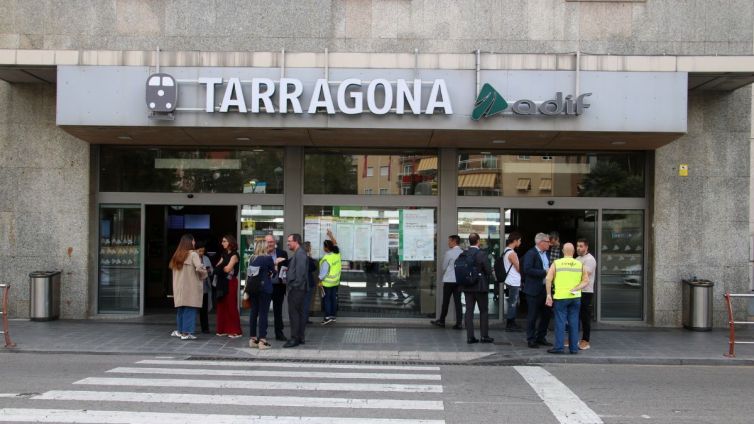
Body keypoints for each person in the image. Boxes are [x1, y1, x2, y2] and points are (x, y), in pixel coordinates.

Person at [545, 243, 589, 354]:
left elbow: (548, 279)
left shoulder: (557, 263)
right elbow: (586, 281)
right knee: (574, 323)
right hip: (575, 298)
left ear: (563, 252)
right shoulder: (579, 264)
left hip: (561, 297)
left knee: (560, 322)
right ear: (573, 252)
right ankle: (574, 348)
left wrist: (549, 295)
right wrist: (576, 288)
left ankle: (559, 348)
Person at [169, 234, 207, 340]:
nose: (194, 243)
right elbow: (199, 268)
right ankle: (186, 333)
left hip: (179, 288)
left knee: (181, 309)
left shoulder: (176, 255)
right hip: (191, 287)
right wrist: (205, 274)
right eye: (193, 241)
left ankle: (180, 331)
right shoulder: (193, 255)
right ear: (190, 242)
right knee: (190, 309)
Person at [462, 233, 494, 344]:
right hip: (480, 286)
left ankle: (470, 337)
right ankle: (484, 336)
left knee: (469, 312)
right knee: (483, 311)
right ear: (478, 241)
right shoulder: (481, 254)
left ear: (469, 241)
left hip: (467, 286)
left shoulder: (464, 253)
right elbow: (488, 270)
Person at [522, 232, 552, 348]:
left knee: (546, 315)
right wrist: (544, 272)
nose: (549, 244)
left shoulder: (547, 254)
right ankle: (531, 339)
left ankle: (541, 337)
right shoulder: (531, 253)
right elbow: (527, 269)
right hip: (533, 290)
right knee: (532, 316)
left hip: (546, 290)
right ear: (540, 242)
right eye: (547, 242)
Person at [246, 240, 276, 350]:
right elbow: (274, 272)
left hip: (253, 289)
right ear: (264, 247)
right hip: (264, 289)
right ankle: (262, 340)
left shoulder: (252, 258)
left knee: (254, 312)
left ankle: (253, 339)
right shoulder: (267, 258)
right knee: (263, 314)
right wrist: (274, 268)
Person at [430, 234, 463, 329]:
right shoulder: (463, 252)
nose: (448, 243)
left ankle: (442, 321)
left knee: (446, 301)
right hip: (459, 280)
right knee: (458, 302)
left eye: (449, 241)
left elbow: (444, 267)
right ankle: (459, 323)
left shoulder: (449, 253)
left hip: (449, 280)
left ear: (454, 241)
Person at [283, 233, 309, 348]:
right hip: (298, 289)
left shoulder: (300, 254)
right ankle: (300, 337)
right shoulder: (299, 253)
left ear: (296, 241)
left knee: (294, 314)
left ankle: (295, 338)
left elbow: (301, 274)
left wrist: (294, 286)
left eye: (289, 241)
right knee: (299, 314)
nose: (287, 243)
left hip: (297, 289)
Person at [214, 234, 242, 338]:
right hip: (222, 282)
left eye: (224, 241)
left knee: (231, 306)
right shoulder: (224, 254)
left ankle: (235, 331)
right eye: (222, 241)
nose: (222, 243)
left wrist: (221, 267)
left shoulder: (235, 255)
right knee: (222, 305)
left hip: (231, 282)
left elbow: (227, 269)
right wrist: (222, 267)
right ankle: (223, 329)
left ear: (230, 242)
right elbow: (217, 268)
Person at [265, 234, 289, 341]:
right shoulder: (261, 253)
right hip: (265, 286)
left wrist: (285, 280)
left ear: (275, 243)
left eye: (271, 242)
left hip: (278, 286)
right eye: (267, 242)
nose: (269, 244)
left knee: (278, 312)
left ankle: (279, 333)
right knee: (263, 311)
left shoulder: (282, 253)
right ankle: (262, 334)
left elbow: (286, 268)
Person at [576, 238, 597, 351]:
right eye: (577, 246)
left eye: (581, 246)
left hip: (586, 292)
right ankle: (574, 339)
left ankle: (585, 340)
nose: (578, 248)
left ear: (586, 247)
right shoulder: (578, 258)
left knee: (585, 317)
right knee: (574, 316)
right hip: (576, 291)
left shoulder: (590, 259)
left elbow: (586, 274)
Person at [319, 229, 341, 325]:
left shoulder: (326, 258)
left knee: (327, 300)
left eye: (323, 246)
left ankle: (327, 317)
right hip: (335, 281)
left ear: (326, 248)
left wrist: (319, 281)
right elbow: (335, 244)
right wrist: (330, 235)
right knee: (333, 298)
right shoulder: (337, 254)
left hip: (327, 283)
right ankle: (333, 316)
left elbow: (323, 273)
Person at [502, 232, 523, 332]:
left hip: (510, 280)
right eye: (519, 240)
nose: (520, 242)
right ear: (515, 241)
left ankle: (511, 323)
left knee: (512, 302)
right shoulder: (512, 253)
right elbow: (519, 268)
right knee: (513, 303)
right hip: (514, 281)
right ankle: (510, 324)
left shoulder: (506, 251)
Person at [195, 241, 213, 334]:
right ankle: (190, 328)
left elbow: (211, 270)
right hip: (194, 288)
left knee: (204, 310)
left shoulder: (206, 258)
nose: (201, 253)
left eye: (203, 251)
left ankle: (205, 328)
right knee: (193, 309)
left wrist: (208, 270)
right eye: (200, 251)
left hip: (204, 287)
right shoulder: (192, 258)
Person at [303, 241, 318, 324]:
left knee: (303, 302)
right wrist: (310, 257)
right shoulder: (307, 259)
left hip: (301, 284)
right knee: (306, 302)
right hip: (308, 283)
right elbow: (313, 268)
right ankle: (305, 319)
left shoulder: (297, 257)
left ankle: (303, 319)